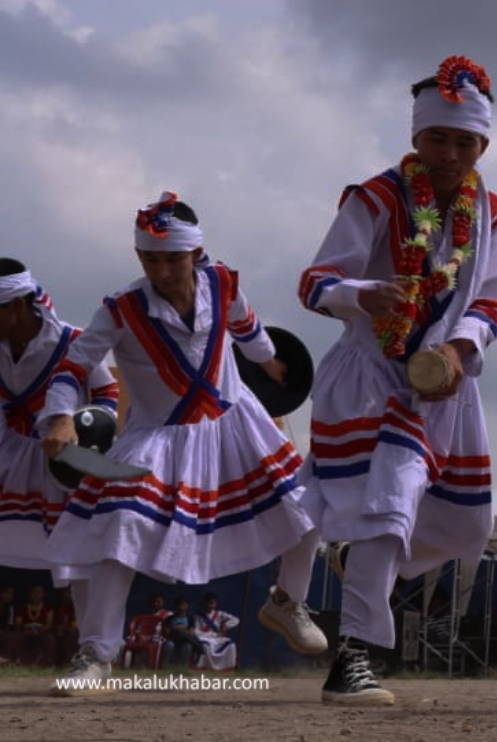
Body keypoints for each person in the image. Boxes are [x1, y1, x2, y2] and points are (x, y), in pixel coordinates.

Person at [38, 192, 327, 696]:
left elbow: (248, 328)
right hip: (157, 439)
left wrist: (272, 364)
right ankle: (97, 654)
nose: (163, 270)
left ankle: (286, 601)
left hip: (234, 425)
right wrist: (61, 416)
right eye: (151, 258)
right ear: (138, 257)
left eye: (173, 258)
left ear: (196, 253)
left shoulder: (223, 282)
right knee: (119, 529)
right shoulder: (122, 310)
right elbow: (72, 365)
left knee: (306, 506)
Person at [297, 55, 497, 706]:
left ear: (483, 145)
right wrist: (366, 294)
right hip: (371, 376)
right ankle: (352, 659)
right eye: (437, 138)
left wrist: (458, 348)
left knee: (467, 529)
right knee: (389, 504)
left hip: (445, 380)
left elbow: (491, 302)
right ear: (416, 138)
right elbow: (314, 285)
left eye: (464, 141)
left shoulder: (492, 211)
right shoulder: (376, 197)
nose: (449, 153)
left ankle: (354, 557)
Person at [0, 259, 119, 571]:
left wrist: (93, 436)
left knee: (73, 557)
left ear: (15, 305)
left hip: (60, 464)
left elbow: (108, 391)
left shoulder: (72, 341)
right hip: (9, 456)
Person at [193, 592, 239, 670]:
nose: (210, 605)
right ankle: (207, 667)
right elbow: (196, 631)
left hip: (217, 639)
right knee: (205, 646)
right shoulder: (197, 616)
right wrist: (212, 635)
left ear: (216, 604)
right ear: (204, 603)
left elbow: (236, 619)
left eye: (212, 603)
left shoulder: (219, 614)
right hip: (205, 638)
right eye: (208, 603)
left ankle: (228, 667)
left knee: (231, 645)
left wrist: (226, 625)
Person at [14, 584, 55, 666]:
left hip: (42, 631)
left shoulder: (48, 608)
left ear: (43, 594)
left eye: (39, 592)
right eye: (34, 592)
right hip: (25, 631)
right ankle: (17, 662)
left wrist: (39, 631)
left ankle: (47, 663)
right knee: (14, 637)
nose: (36, 595)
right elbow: (18, 623)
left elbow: (48, 624)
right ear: (30, 594)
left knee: (50, 638)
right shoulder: (22, 608)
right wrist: (26, 630)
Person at [161, 595, 202, 668]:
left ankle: (182, 666)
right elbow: (167, 631)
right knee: (169, 645)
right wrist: (176, 628)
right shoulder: (170, 618)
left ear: (187, 606)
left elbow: (191, 632)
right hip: (173, 639)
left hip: (185, 639)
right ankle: (166, 665)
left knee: (188, 646)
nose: (181, 607)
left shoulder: (190, 618)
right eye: (179, 605)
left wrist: (184, 630)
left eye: (183, 605)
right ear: (176, 606)